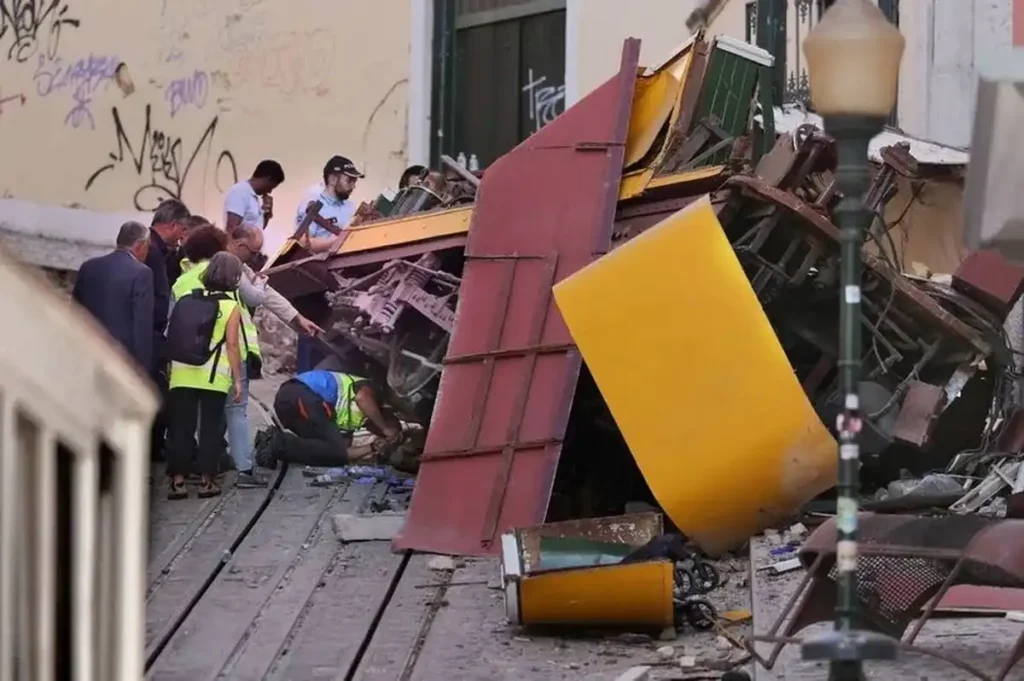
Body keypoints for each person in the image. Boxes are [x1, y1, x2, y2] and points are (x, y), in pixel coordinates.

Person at [165, 252, 246, 500]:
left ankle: (178, 482)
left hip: (180, 372)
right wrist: (238, 379)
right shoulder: (231, 306)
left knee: (180, 427)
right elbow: (232, 345)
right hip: (213, 376)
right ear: (233, 278)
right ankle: (206, 481)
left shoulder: (186, 300)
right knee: (210, 428)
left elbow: (172, 334)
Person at [256, 369, 401, 470]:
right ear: (385, 415)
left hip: (294, 407)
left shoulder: (353, 422)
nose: (382, 435)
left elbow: (342, 452)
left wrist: (373, 447)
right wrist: (385, 428)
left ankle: (273, 442)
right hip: (301, 394)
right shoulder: (371, 391)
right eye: (388, 434)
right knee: (334, 451)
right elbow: (362, 398)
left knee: (327, 452)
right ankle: (278, 443)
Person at [72, 221, 154, 372]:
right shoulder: (142, 274)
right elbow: (142, 325)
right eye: (148, 246)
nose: (147, 251)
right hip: (121, 361)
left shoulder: (89, 267)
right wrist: (143, 369)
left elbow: (75, 311)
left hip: (88, 352)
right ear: (139, 245)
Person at [146, 199, 191, 460]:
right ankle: (152, 449)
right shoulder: (150, 250)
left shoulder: (162, 251)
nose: (184, 236)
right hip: (152, 334)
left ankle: (156, 446)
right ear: (173, 225)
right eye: (183, 230)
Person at [293, 155, 364, 254]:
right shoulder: (312, 204)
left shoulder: (350, 207)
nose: (353, 186)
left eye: (354, 182)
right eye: (349, 181)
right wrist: (335, 242)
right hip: (318, 265)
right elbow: (302, 242)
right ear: (333, 179)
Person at [224, 160, 285, 232]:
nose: (269, 191)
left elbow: (259, 229)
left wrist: (266, 214)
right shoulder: (240, 191)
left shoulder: (254, 197)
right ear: (267, 179)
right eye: (270, 187)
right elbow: (231, 227)